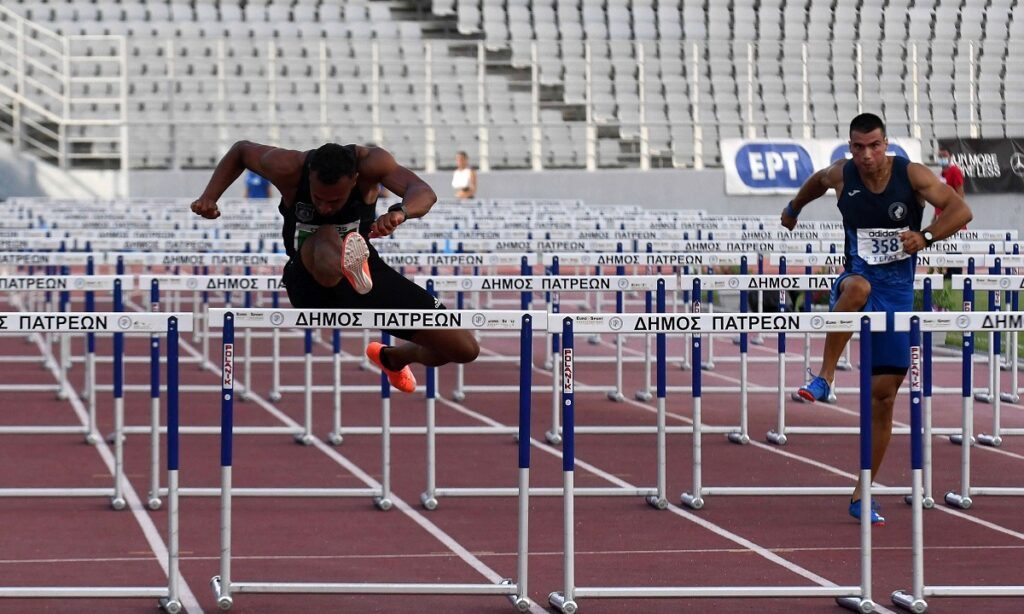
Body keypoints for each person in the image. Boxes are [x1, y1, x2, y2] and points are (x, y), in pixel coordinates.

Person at [781, 113, 972, 525]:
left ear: (886, 144)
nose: (867, 155)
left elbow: (960, 209)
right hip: (857, 277)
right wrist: (793, 208)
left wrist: (926, 237)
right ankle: (825, 376)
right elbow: (816, 181)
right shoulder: (842, 175)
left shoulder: (913, 175)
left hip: (898, 294)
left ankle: (861, 491)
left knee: (883, 399)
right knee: (856, 290)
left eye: (874, 146)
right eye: (858, 147)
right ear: (851, 147)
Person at [190, 141, 480, 393]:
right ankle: (348, 268)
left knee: (463, 348)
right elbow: (241, 150)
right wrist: (209, 197)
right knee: (326, 232)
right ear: (310, 179)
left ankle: (392, 358)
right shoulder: (287, 166)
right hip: (309, 280)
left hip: (367, 271)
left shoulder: (372, 164)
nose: (326, 207)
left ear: (355, 179)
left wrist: (400, 213)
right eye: (318, 198)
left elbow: (424, 192)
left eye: (335, 200)